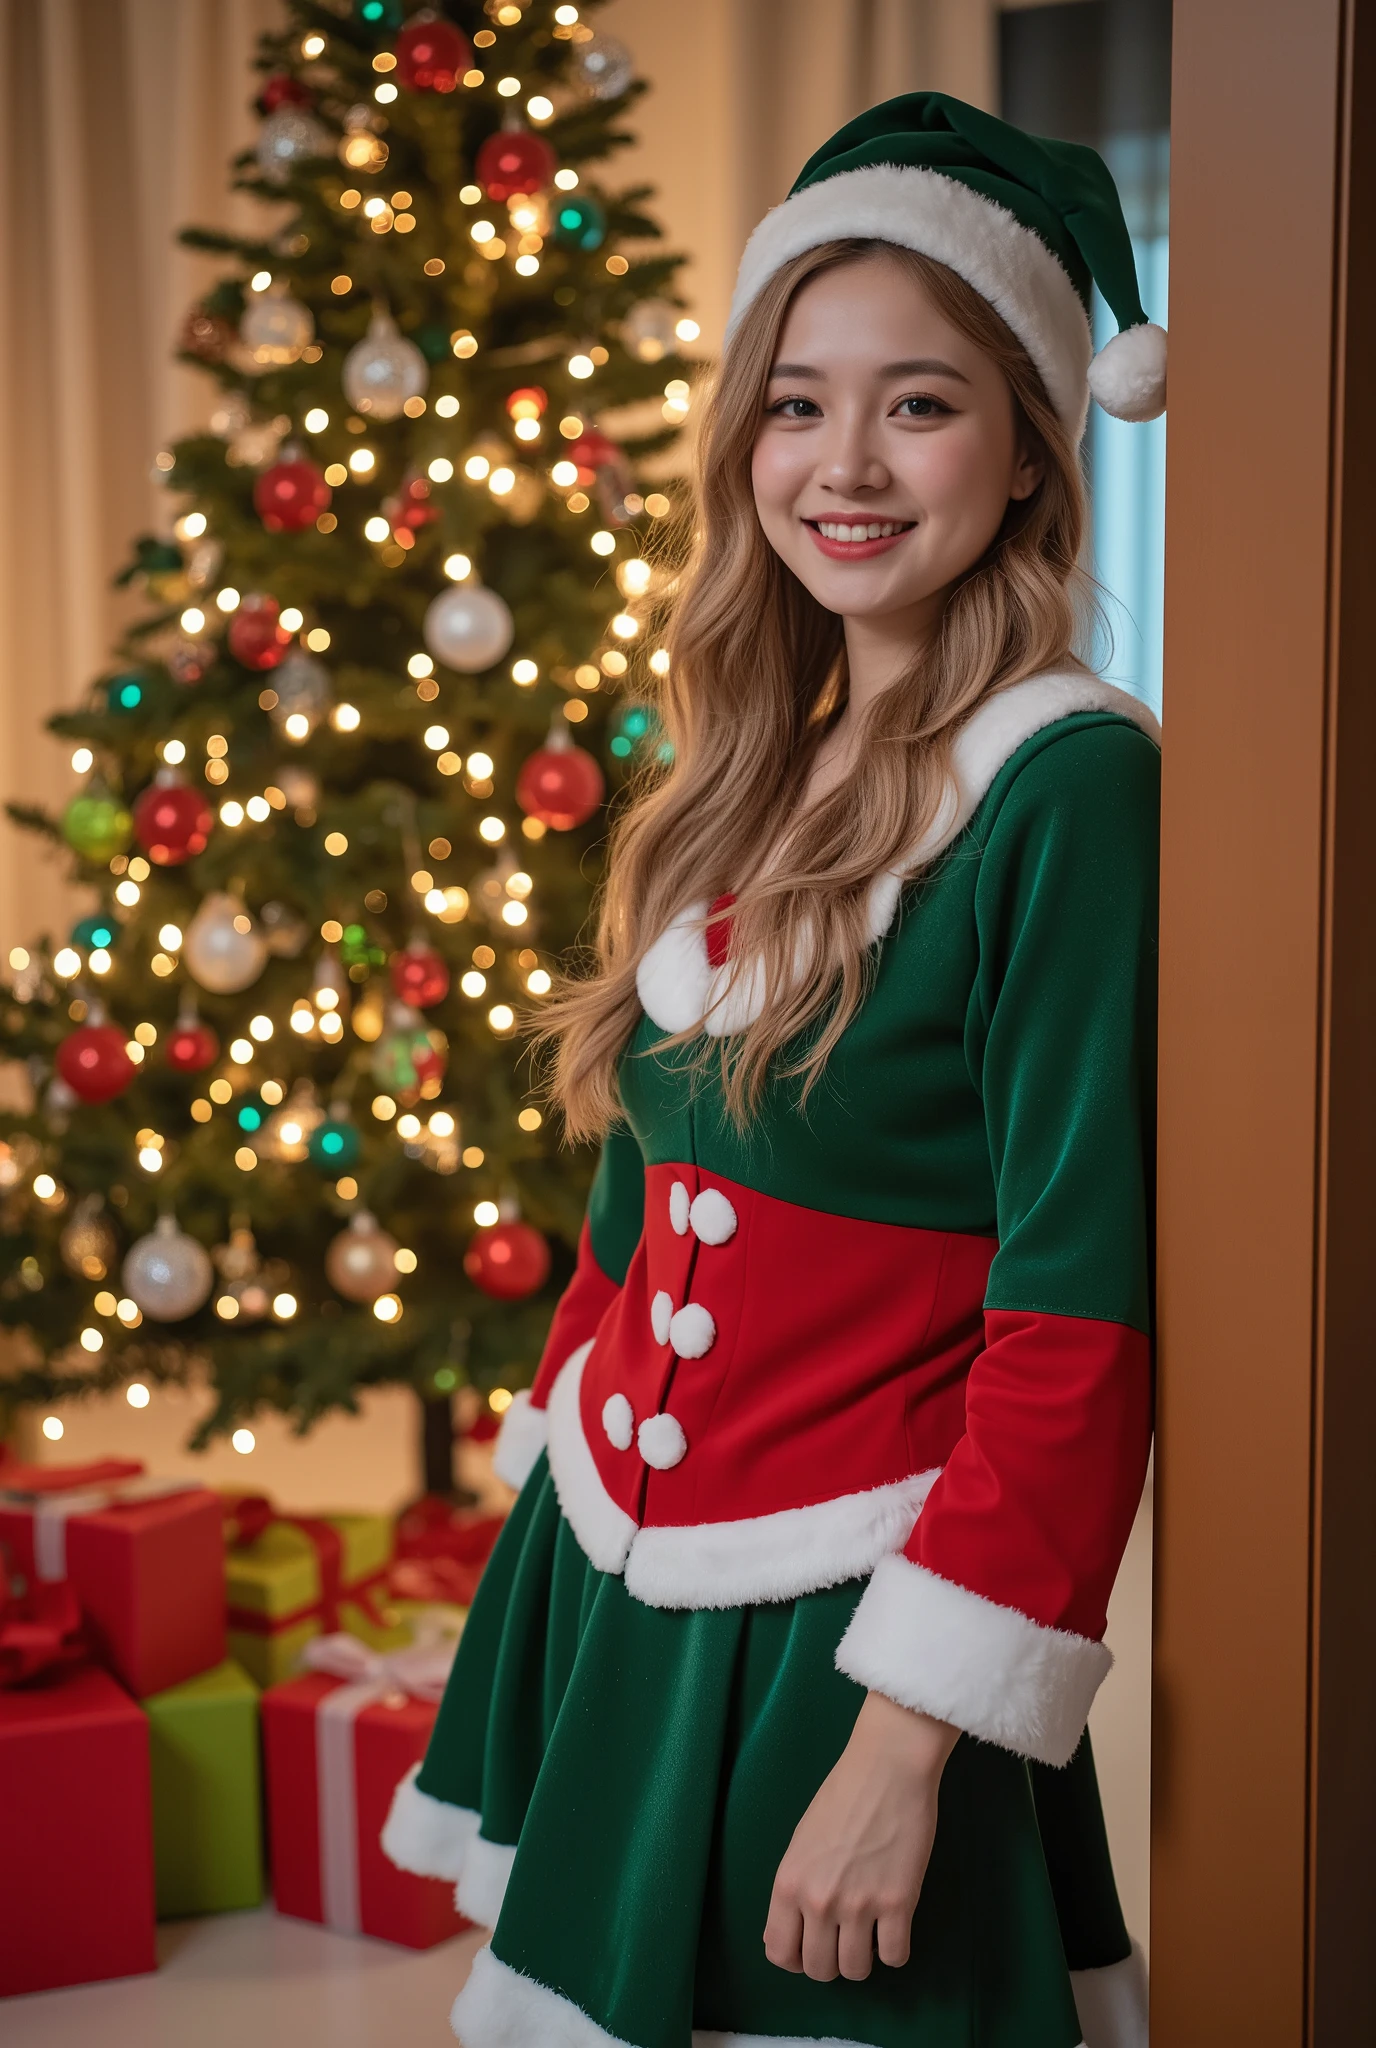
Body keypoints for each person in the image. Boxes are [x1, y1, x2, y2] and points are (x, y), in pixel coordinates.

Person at [384, 92, 1164, 2048]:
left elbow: (1076, 1311)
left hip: (853, 1629)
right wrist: (560, 1496)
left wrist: (910, 1740)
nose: (844, 464)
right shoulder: (741, 760)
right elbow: (633, 1211)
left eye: (919, 403)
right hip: (612, 1590)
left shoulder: (1073, 788)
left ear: (1025, 452)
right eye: (798, 402)